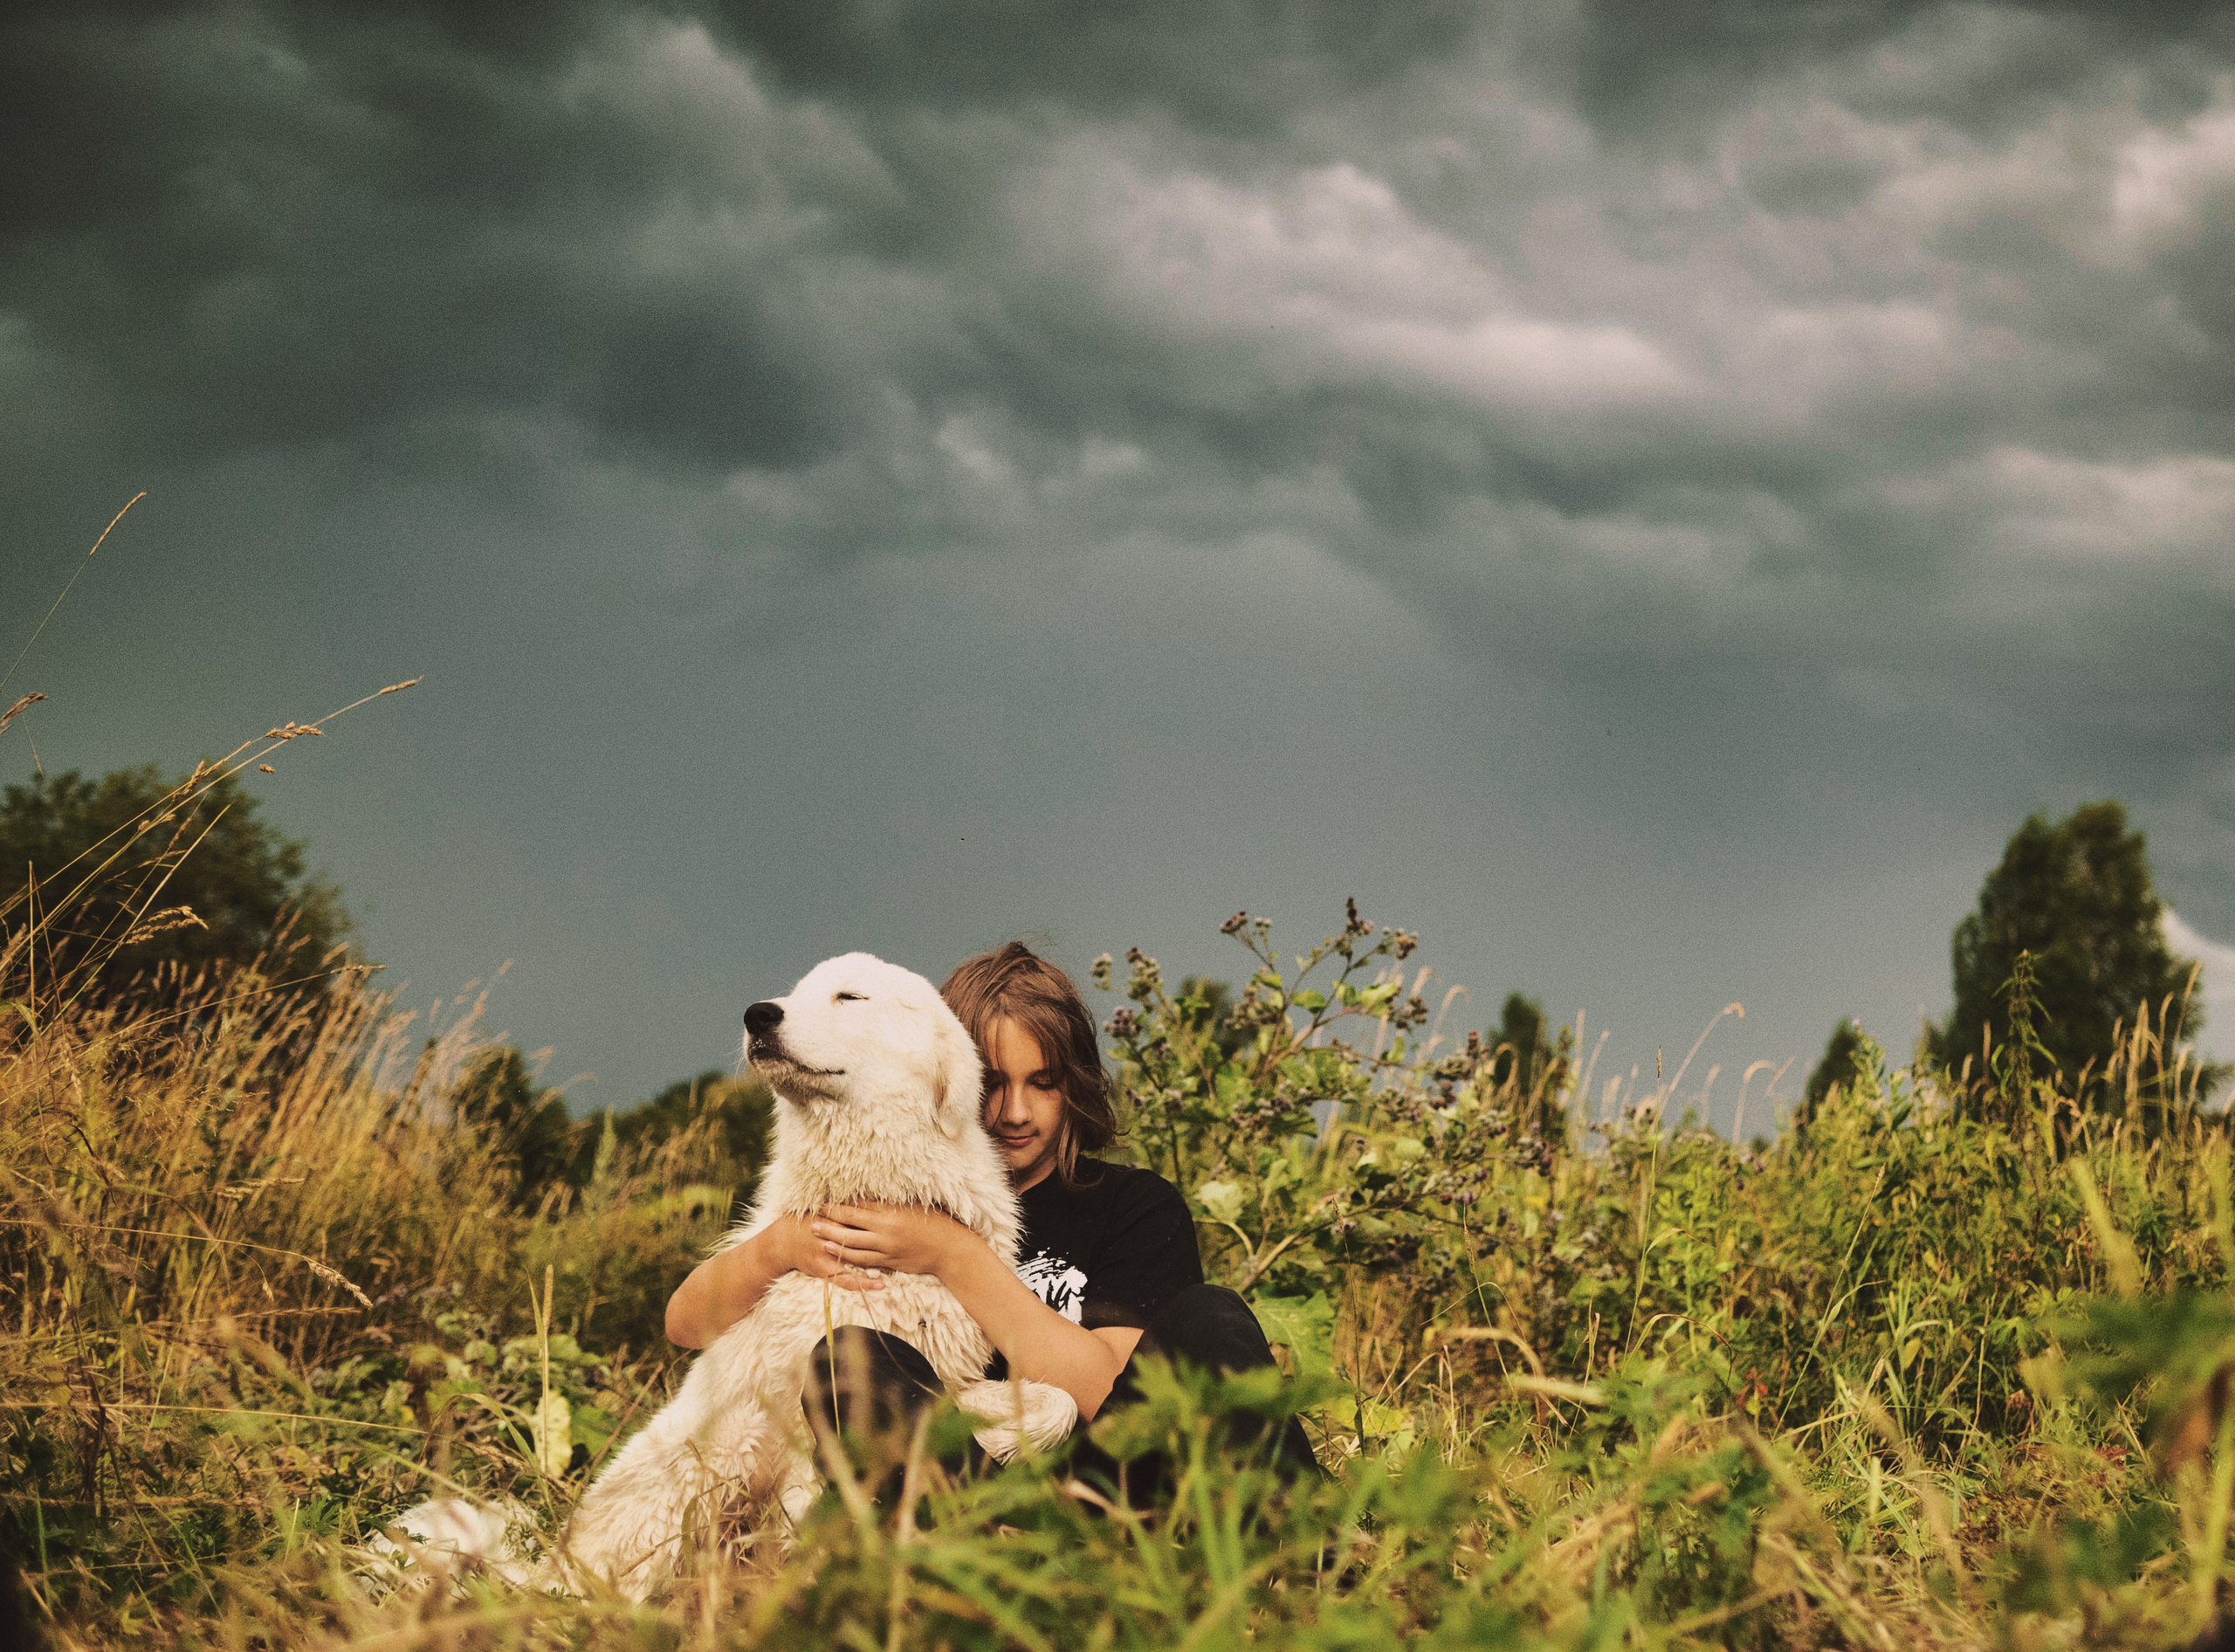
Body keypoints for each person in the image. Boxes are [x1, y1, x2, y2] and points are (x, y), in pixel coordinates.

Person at [664, 940, 1317, 1504]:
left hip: (1120, 1487)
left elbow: (1109, 1398)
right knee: (851, 1363)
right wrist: (777, 1247)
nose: (1014, 1112)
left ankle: (1312, 1549)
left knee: (1213, 1315)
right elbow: (686, 1325)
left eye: (1045, 1083)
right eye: (995, 1082)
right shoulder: (895, 1201)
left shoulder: (1131, 1206)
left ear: (1076, 1086)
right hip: (963, 1490)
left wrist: (955, 1257)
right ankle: (961, 1556)